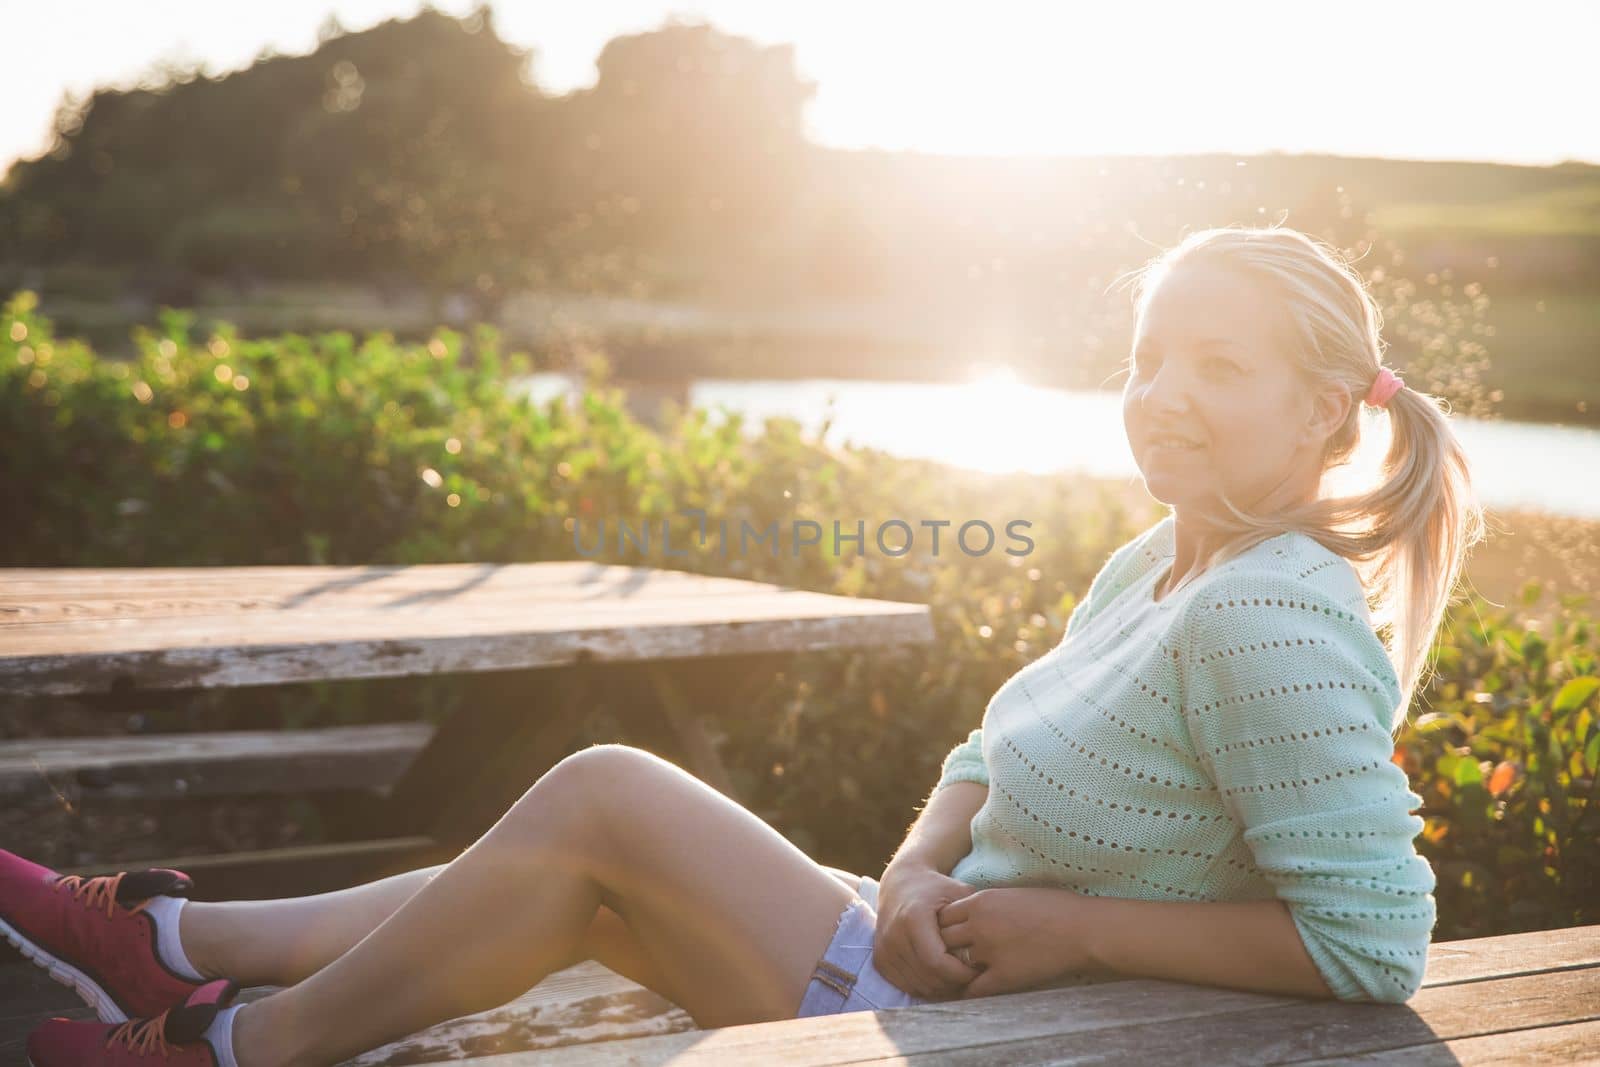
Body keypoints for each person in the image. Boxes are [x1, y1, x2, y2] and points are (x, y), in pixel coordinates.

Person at [3, 225, 1485, 1066]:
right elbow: (982, 752)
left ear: (1324, 412)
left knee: (603, 793)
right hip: (945, 965)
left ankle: (212, 1049)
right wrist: (914, 870)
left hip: (1022, 1036)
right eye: (1146, 355)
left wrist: (1070, 932)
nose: (1160, 392)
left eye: (1216, 366)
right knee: (556, 885)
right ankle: (171, 949)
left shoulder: (1269, 613)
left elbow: (1368, 946)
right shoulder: (1162, 560)